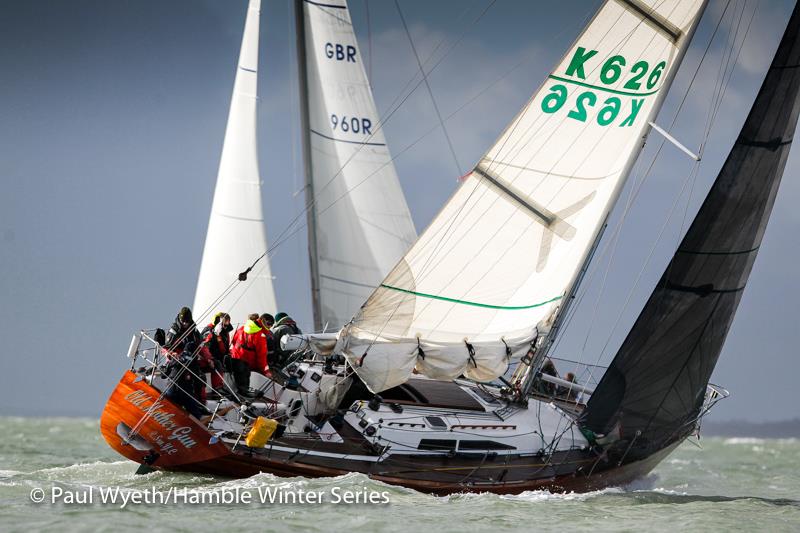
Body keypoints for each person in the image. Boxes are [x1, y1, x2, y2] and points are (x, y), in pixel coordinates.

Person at [165, 342, 208, 419]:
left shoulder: (177, 357)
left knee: (172, 412)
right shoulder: (194, 362)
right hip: (184, 391)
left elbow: (164, 374)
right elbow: (197, 381)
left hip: (170, 388)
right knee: (196, 413)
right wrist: (199, 398)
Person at [230, 313, 269, 395]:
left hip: (235, 356)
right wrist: (266, 371)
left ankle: (242, 391)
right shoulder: (260, 336)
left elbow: (233, 340)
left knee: (241, 372)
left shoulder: (242, 328)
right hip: (247, 361)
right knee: (246, 373)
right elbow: (261, 356)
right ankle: (245, 392)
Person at [201, 312, 233, 390]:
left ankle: (234, 388)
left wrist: (228, 353)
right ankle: (217, 388)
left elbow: (224, 347)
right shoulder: (209, 330)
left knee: (234, 362)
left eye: (227, 325)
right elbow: (205, 345)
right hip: (210, 356)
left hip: (220, 354)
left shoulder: (225, 331)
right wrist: (215, 334)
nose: (226, 327)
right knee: (218, 364)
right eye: (225, 325)